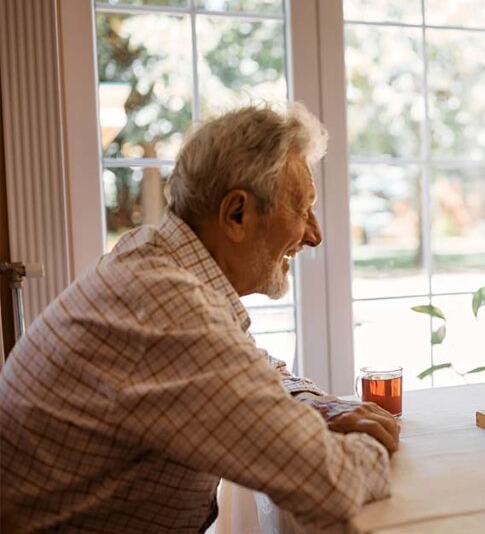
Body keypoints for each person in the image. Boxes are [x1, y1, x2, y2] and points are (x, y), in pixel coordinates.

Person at [0, 104, 399, 533]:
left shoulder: (152, 257)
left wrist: (313, 404)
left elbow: (245, 365)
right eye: (302, 208)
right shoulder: (167, 307)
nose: (314, 235)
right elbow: (329, 482)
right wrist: (375, 443)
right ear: (237, 214)